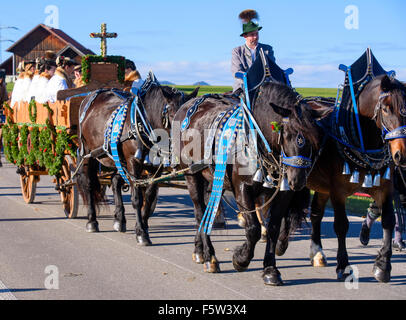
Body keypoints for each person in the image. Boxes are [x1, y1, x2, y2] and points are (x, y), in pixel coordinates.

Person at [360, 167, 406, 251]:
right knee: (379, 205)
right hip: (387, 170)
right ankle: (366, 224)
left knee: (402, 203)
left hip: (402, 171)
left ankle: (397, 239)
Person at [231, 9, 276, 93]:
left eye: (257, 34)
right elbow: (237, 71)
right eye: (252, 35)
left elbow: (272, 68)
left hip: (265, 87)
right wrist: (251, 82)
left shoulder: (267, 49)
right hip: (243, 87)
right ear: (245, 36)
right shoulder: (237, 51)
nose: (255, 37)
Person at [0, 69, 7, 167]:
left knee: (1, 136)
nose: (1, 80)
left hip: (1, 111)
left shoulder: (3, 86)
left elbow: (5, 98)